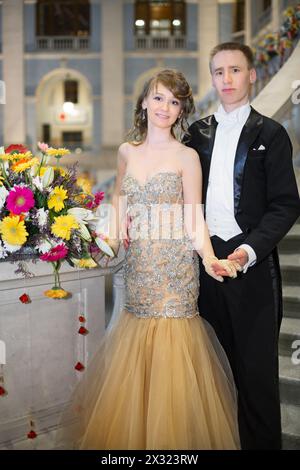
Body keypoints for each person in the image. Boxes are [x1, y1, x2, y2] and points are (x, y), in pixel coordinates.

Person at [59, 69, 241, 450]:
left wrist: (208, 258)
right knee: (134, 354)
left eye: (174, 102)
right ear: (144, 101)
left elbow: (194, 215)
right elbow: (120, 198)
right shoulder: (127, 151)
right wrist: (112, 231)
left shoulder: (187, 156)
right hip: (138, 264)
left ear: (181, 111)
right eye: (158, 98)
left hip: (174, 269)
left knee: (172, 359)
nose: (165, 107)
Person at [184, 42, 300, 450]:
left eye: (235, 70)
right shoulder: (195, 134)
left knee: (255, 377)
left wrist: (248, 250)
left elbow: (286, 204)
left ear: (252, 75)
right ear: (212, 78)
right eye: (219, 72)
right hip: (204, 266)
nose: (227, 79)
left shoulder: (272, 133)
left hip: (252, 268)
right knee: (212, 374)